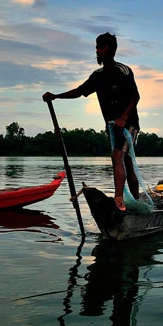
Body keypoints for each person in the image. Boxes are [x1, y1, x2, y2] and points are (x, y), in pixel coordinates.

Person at [42, 32, 140, 211]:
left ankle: (120, 200)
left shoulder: (123, 71)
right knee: (125, 161)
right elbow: (79, 91)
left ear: (109, 50)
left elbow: (135, 96)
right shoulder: (97, 76)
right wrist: (56, 96)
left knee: (118, 156)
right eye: (96, 47)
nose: (97, 51)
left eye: (100, 48)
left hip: (128, 124)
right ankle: (133, 202)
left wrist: (124, 118)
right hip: (112, 126)